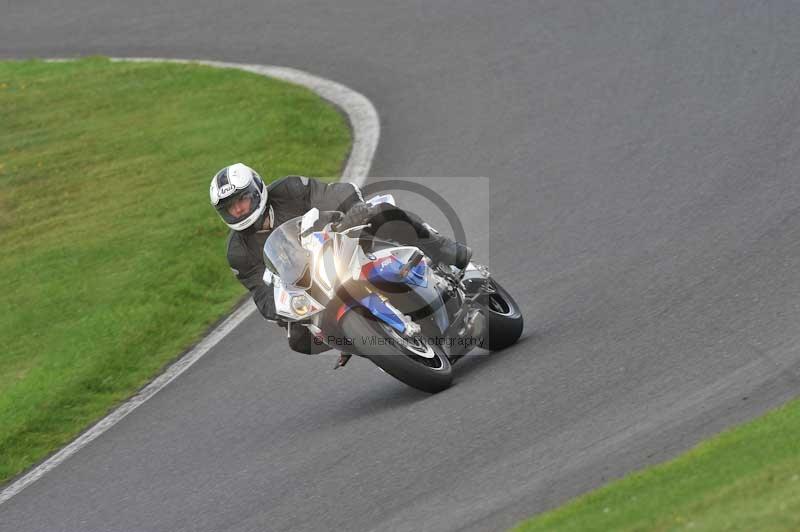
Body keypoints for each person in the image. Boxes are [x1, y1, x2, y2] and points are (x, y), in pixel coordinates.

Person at [210, 162, 472, 356]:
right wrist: (282, 309)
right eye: (230, 207)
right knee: (299, 340)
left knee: (382, 212)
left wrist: (352, 210)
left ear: (256, 190)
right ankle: (357, 341)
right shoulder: (238, 252)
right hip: (309, 283)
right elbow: (262, 294)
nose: (238, 210)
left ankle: (441, 248)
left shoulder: (288, 189)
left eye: (241, 200)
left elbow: (332, 193)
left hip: (340, 240)